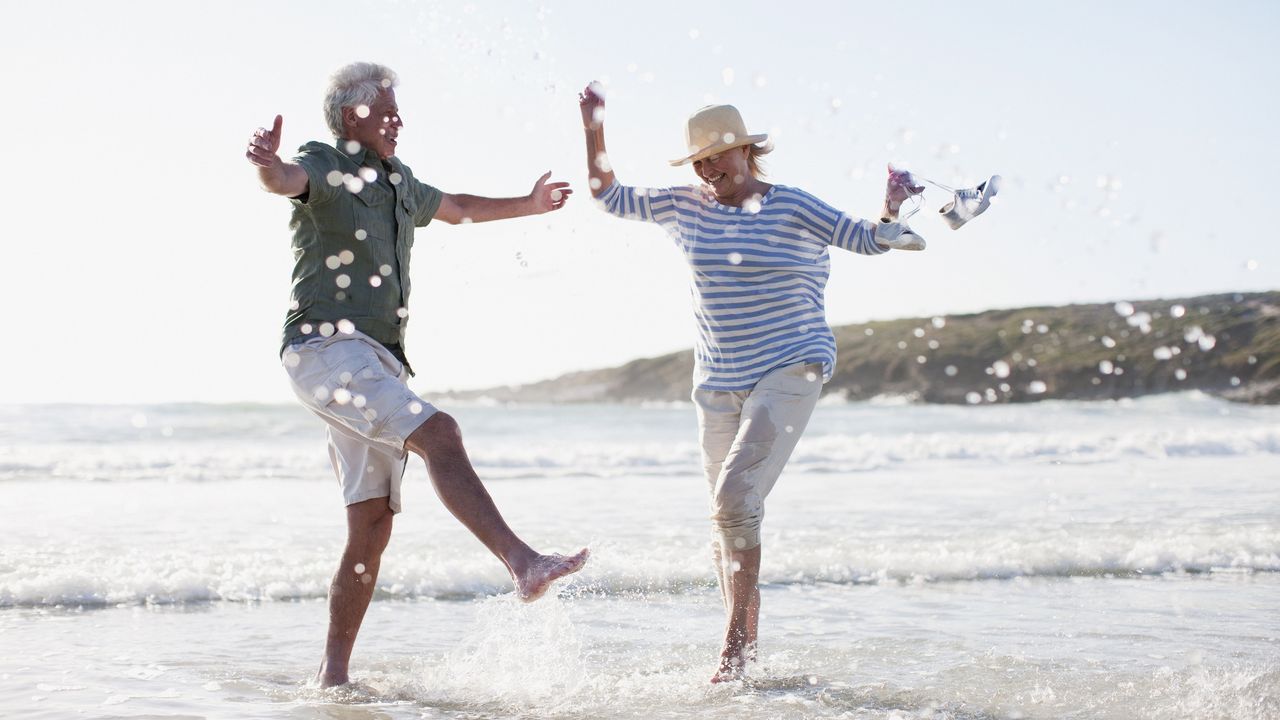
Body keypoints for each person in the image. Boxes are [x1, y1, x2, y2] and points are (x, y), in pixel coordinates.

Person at [245, 61, 588, 688]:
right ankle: (522, 562)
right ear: (353, 116)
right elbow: (285, 180)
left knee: (372, 524)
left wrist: (531, 204)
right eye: (386, 108)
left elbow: (455, 206)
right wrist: (267, 164)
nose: (398, 118)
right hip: (324, 349)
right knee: (441, 432)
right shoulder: (323, 163)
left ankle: (333, 676)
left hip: (376, 360)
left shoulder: (399, 182)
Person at [578, 83, 921, 681]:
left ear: (746, 153)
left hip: (792, 363)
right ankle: (746, 650)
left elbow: (868, 240)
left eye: (720, 156)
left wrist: (890, 209)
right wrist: (594, 127)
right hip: (716, 382)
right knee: (726, 516)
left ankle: (734, 650)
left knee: (735, 498)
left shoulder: (793, 206)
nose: (710, 169)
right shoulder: (683, 205)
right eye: (701, 160)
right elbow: (607, 195)